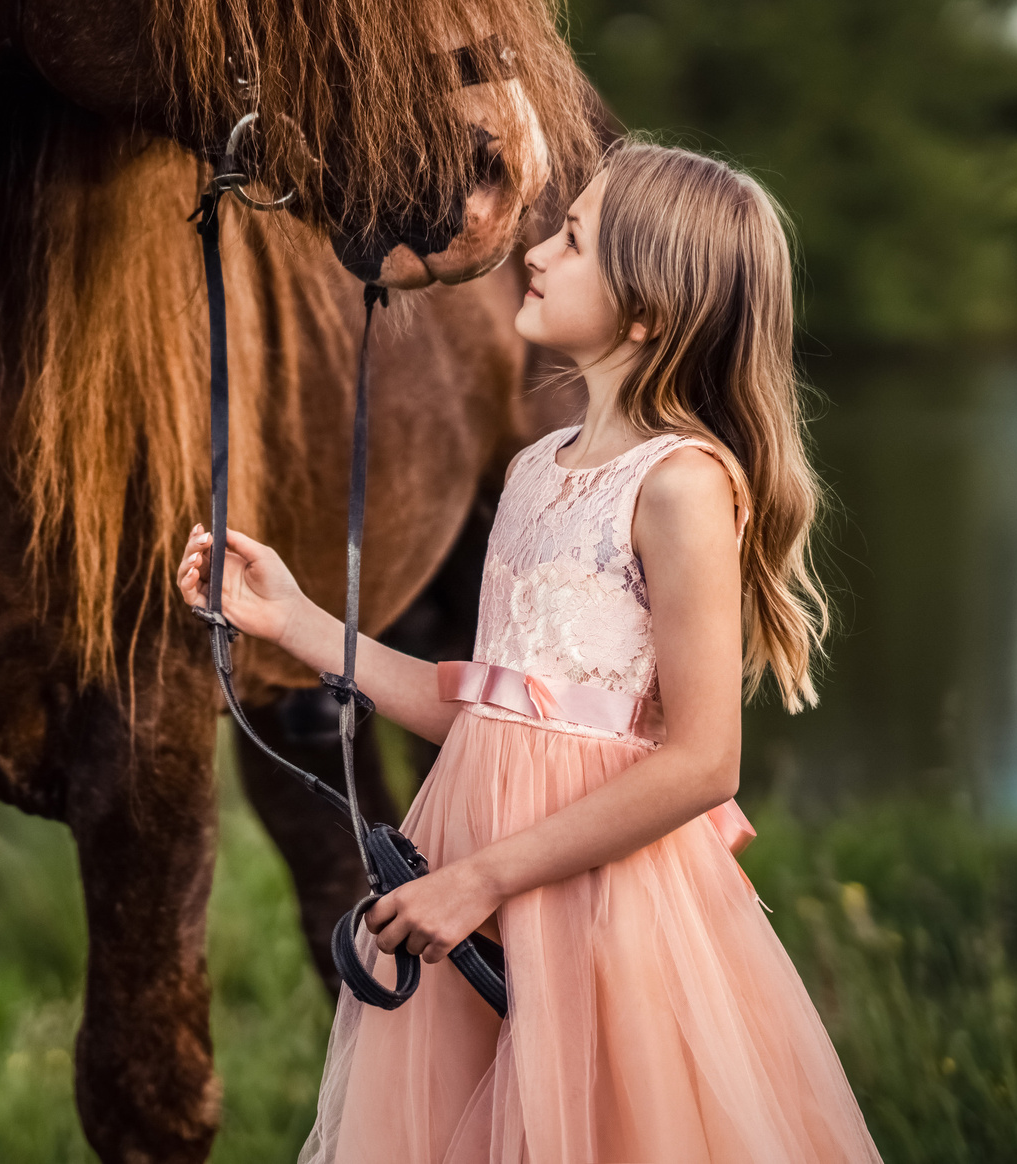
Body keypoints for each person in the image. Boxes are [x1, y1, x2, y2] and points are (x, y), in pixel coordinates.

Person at [178, 138, 883, 1164]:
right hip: (473, 866)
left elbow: (704, 762)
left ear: (645, 311)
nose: (535, 253)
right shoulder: (534, 467)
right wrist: (294, 620)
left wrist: (483, 880)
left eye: (572, 240)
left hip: (594, 895)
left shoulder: (680, 485)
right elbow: (484, 707)